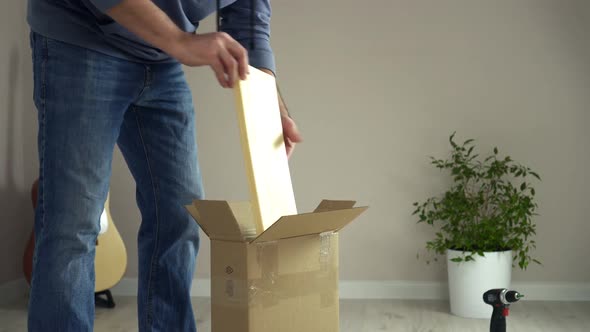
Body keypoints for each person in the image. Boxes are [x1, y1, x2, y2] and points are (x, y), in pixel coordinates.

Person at [25, 0, 302, 331]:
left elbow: (249, 18)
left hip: (161, 59)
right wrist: (179, 41)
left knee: (180, 213)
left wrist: (271, 102)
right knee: (73, 225)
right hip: (82, 41)